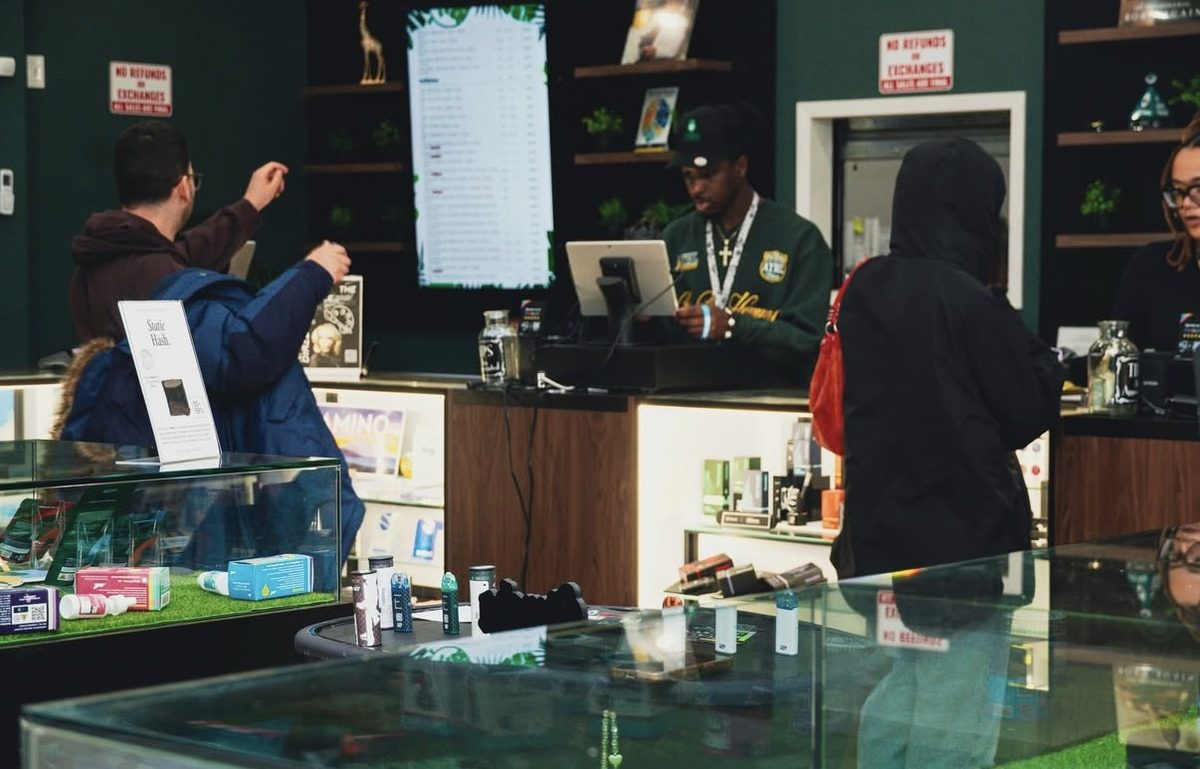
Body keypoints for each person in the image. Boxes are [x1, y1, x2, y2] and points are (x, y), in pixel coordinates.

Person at [833, 138, 1063, 579]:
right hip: (964, 548)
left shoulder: (862, 286)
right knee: (967, 649)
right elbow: (1027, 410)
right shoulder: (970, 300)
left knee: (883, 648)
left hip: (872, 542)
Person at [54, 242, 365, 566]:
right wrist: (311, 273)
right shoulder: (214, 320)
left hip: (148, 550)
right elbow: (250, 350)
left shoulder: (116, 333)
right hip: (231, 544)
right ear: (184, 189)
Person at [70, 119, 289, 343]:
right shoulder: (165, 276)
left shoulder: (101, 255)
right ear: (184, 186)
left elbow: (195, 247)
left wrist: (251, 204)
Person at [662, 103, 833, 384]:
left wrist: (733, 325)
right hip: (686, 398)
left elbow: (807, 340)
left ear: (740, 166)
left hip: (770, 402)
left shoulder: (799, 239)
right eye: (688, 177)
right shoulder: (676, 236)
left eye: (708, 175)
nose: (696, 189)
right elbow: (666, 334)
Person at [1113, 111, 1200, 352]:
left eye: (1198, 188)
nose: (1185, 203)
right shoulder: (1151, 265)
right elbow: (1120, 354)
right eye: (1179, 191)